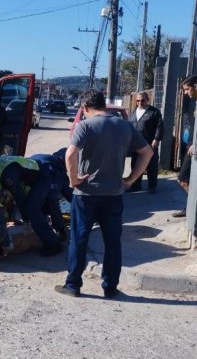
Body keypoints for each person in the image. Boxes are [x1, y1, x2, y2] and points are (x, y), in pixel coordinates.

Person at [55, 90, 153, 299]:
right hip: (114, 194)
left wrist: (73, 180)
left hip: (86, 194)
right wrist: (131, 179)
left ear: (85, 107)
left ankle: (73, 284)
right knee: (112, 241)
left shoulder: (85, 126)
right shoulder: (125, 126)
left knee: (79, 239)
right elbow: (147, 152)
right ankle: (110, 287)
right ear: (105, 105)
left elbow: (70, 153)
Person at [0, 155, 64, 256]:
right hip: (36, 169)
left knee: (31, 209)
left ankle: (53, 244)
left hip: (43, 176)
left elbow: (20, 198)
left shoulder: (7, 177)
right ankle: (56, 230)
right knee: (35, 205)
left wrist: (26, 222)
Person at [29, 148, 73, 241]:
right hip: (46, 172)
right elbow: (65, 192)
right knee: (52, 200)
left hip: (29, 177)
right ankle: (60, 230)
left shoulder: (44, 157)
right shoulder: (57, 166)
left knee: (38, 201)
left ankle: (42, 225)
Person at [128, 91, 164, 193]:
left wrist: (156, 139)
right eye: (138, 101)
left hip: (149, 144)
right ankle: (136, 186)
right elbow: (129, 126)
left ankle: (152, 187)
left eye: (142, 100)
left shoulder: (154, 112)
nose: (140, 103)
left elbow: (159, 126)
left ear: (147, 100)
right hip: (136, 145)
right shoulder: (133, 112)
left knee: (151, 166)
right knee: (135, 165)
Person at [173, 75, 197, 218]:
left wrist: (195, 143)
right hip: (189, 146)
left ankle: (194, 205)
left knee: (182, 178)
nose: (186, 93)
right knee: (185, 179)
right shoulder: (195, 102)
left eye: (187, 89)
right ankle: (190, 206)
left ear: (195, 86)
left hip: (193, 146)